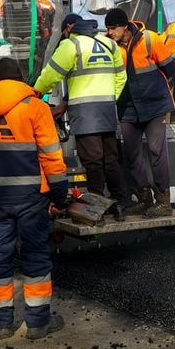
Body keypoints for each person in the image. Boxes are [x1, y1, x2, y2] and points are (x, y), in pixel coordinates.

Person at [0, 57, 68, 340]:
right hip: (31, 196)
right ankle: (38, 323)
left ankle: (1, 323)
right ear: (20, 81)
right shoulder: (35, 107)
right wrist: (59, 193)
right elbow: (51, 154)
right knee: (35, 257)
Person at [34, 13, 129, 220]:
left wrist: (36, 93)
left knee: (93, 161)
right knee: (111, 159)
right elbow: (121, 76)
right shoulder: (109, 44)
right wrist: (110, 97)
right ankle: (120, 202)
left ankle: (97, 208)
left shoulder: (71, 45)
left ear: (70, 28)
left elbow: (51, 74)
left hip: (85, 113)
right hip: (106, 110)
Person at [103, 8, 175, 217]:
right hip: (127, 109)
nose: (109, 32)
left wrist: (158, 92)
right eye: (107, 29)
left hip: (154, 107)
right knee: (133, 155)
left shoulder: (149, 39)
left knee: (156, 152)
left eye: (112, 28)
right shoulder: (111, 47)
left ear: (124, 26)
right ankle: (144, 199)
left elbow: (170, 68)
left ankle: (163, 201)